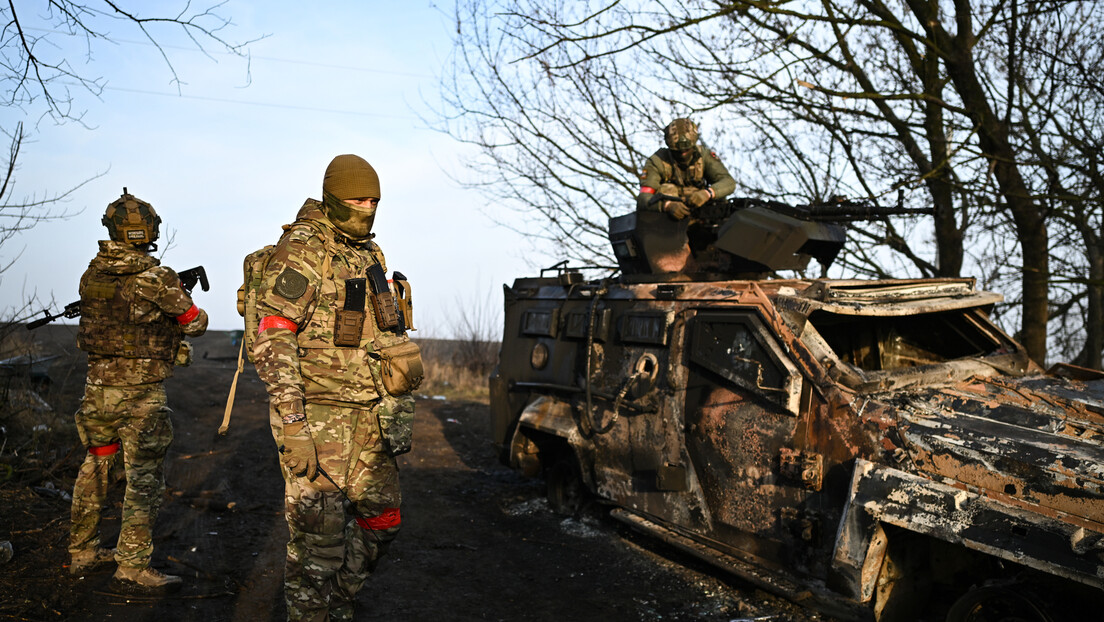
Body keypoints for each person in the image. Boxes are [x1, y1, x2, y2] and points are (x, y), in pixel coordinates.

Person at [252, 154, 418, 621]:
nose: (367, 207)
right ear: (331, 197)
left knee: (383, 522)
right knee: (316, 547)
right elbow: (273, 332)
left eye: (374, 200)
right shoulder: (303, 249)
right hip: (317, 417)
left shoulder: (369, 253)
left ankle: (338, 603)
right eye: (357, 199)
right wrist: (293, 421)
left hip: (370, 417)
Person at [67, 189, 209, 592]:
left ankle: (82, 551)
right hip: (141, 397)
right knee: (143, 478)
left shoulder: (91, 274)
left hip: (96, 390)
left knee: (96, 465)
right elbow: (195, 322)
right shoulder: (156, 278)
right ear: (148, 230)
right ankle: (131, 565)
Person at [636, 117, 736, 219]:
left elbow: (728, 182)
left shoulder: (704, 155)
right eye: (678, 152)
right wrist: (667, 205)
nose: (683, 155)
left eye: (687, 150)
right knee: (667, 189)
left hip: (703, 215)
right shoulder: (657, 161)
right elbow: (644, 198)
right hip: (668, 224)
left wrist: (707, 193)